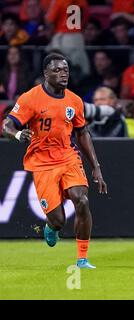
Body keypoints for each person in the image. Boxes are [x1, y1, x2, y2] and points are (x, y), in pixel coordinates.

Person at [2, 53, 107, 269]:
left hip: (67, 156)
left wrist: (96, 167)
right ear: (45, 74)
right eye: (57, 70)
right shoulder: (31, 98)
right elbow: (7, 125)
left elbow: (82, 132)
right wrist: (19, 135)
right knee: (59, 220)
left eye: (65, 70)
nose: (62, 74)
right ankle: (51, 227)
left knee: (82, 200)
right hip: (42, 162)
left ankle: (82, 259)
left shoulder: (74, 100)